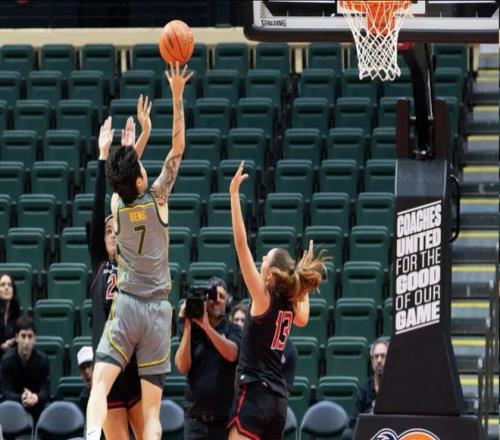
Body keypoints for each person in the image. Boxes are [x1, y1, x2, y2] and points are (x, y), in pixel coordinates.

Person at [85, 62, 192, 440]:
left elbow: (123, 178)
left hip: (127, 305)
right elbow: (178, 147)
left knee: (99, 386)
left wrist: (130, 145)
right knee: (151, 414)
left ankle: (90, 434)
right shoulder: (159, 197)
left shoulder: (116, 205)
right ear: (143, 178)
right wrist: (177, 95)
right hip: (157, 310)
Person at [228, 161, 327, 440]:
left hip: (255, 393)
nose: (260, 260)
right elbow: (304, 318)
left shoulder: (263, 298)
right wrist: (303, 281)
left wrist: (233, 196)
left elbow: (241, 245)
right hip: (278, 404)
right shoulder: (291, 304)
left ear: (270, 275)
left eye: (265, 259)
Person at [87, 108, 149, 440]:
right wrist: (102, 157)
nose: (112, 232)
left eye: (116, 229)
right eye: (107, 230)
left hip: (135, 365)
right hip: (108, 367)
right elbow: (99, 207)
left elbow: (134, 200)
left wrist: (129, 155)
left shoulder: (133, 258)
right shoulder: (99, 264)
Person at [175, 277, 242, 440]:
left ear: (227, 302)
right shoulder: (192, 331)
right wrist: (188, 325)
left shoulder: (233, 329)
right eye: (213, 296)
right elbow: (182, 366)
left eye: (222, 297)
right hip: (195, 422)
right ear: (205, 301)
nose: (217, 300)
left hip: (224, 423)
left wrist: (206, 327)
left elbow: (232, 354)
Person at [229, 302, 297, 395]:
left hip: (266, 394)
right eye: (236, 320)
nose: (239, 324)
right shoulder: (232, 343)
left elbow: (287, 387)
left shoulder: (289, 349)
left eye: (242, 320)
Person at [0, 315, 49, 422]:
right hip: (12, 409)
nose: (26, 342)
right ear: (16, 337)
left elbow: (45, 391)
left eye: (30, 336)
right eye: (23, 336)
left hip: (36, 408)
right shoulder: (6, 360)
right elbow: (6, 393)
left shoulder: (43, 360)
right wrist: (23, 397)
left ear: (34, 339)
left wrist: (35, 397)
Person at [354, 337, 389, 417]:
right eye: (376, 356)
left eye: (383, 356)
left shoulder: (397, 390)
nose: (379, 360)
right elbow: (354, 421)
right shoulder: (363, 392)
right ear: (372, 361)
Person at [0, 273, 21, 360]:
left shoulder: (17, 315)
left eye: (9, 285)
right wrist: (1, 346)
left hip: (12, 359)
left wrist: (15, 341)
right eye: (2, 285)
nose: (6, 288)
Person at [77, 346, 94, 414]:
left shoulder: (111, 392)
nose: (86, 371)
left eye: (89, 366)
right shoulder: (83, 398)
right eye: (83, 368)